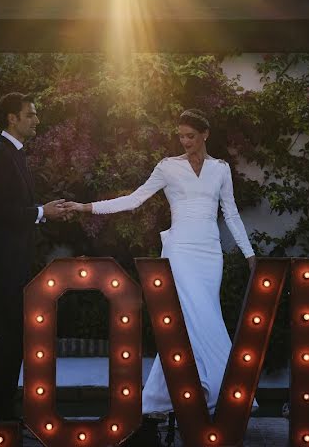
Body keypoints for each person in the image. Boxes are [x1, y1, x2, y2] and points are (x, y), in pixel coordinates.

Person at [63, 108, 258, 416]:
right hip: (179, 250)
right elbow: (134, 199)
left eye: (190, 136)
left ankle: (198, 391)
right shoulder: (167, 167)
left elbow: (230, 213)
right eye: (180, 136)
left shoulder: (220, 169)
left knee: (207, 315)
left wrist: (249, 255)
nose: (184, 142)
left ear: (205, 134)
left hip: (209, 253)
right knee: (188, 319)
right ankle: (215, 390)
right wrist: (87, 208)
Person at [0, 92, 69, 421]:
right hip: (2, 264)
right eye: (31, 114)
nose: (37, 120)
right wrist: (42, 212)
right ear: (13, 118)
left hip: (13, 261)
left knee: (18, 332)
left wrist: (43, 212)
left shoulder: (12, 154)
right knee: (17, 331)